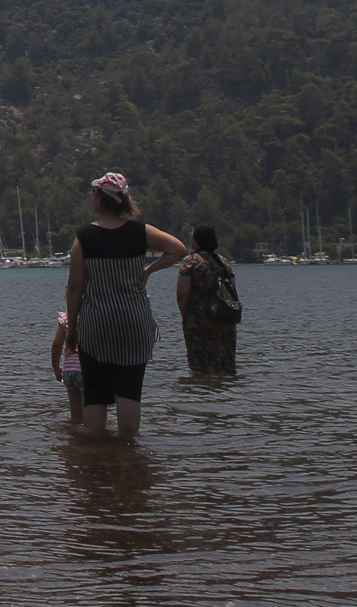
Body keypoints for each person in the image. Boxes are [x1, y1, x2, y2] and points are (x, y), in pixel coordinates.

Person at [63, 171, 188, 438]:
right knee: (129, 390)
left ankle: (96, 456)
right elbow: (178, 249)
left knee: (95, 393)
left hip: (97, 323)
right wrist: (149, 270)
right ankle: (128, 452)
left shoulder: (84, 237)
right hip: (134, 321)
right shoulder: (140, 232)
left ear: (99, 200)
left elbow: (74, 287)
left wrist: (71, 329)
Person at [174, 225, 240, 375]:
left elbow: (182, 294)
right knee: (225, 365)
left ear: (196, 241)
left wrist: (185, 316)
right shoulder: (223, 262)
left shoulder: (190, 262)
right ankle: (224, 393)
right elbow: (233, 291)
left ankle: (201, 392)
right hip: (224, 318)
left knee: (199, 366)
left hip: (198, 320)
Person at [49, 310, 86, 427]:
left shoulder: (66, 319)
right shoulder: (94, 318)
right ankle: (87, 440)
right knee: (90, 415)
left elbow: (56, 344)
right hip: (87, 370)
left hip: (69, 370)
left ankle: (73, 437)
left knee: (75, 415)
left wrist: (56, 368)